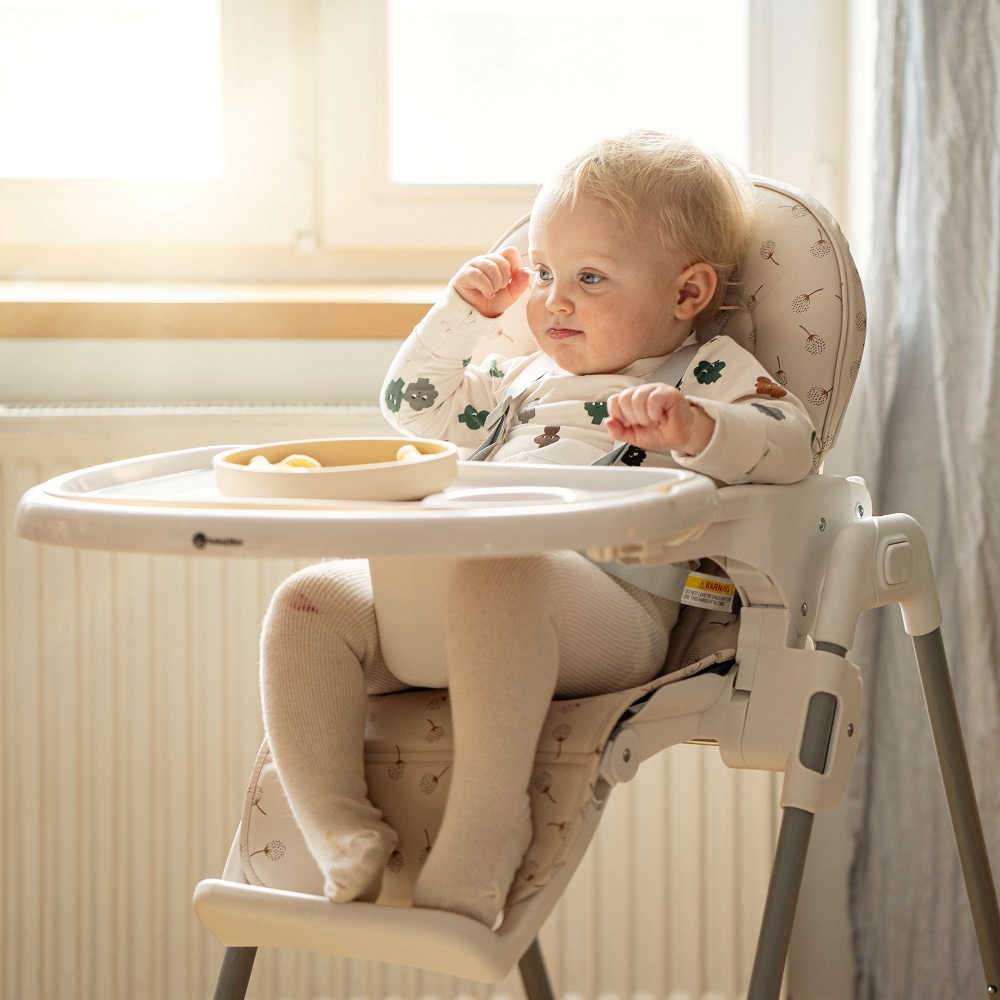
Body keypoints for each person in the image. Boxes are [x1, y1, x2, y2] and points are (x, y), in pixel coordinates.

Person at [259, 131, 815, 928]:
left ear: (687, 294)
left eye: (589, 278)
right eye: (546, 272)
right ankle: (339, 831)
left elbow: (791, 441)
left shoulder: (706, 373)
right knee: (307, 599)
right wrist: (462, 316)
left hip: (614, 611)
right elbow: (414, 405)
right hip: (462, 593)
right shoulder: (523, 378)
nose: (553, 300)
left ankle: (488, 829)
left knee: (501, 568)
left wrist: (698, 429)